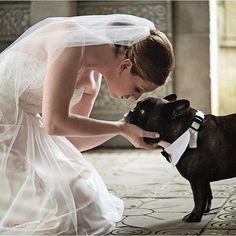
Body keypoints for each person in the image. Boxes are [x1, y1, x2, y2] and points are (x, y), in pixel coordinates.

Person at [0, 14, 174, 235]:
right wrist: (120, 128)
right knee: (55, 214)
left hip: (24, 126)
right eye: (138, 89)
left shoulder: (92, 80)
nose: (134, 98)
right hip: (3, 127)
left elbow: (71, 141)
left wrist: (123, 129)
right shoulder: (69, 43)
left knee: (86, 202)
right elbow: (55, 124)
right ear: (126, 65)